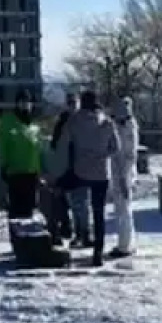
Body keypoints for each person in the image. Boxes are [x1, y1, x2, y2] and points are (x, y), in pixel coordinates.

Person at [56, 90, 120, 267]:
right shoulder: (107, 122)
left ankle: (64, 233)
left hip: (80, 171)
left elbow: (63, 141)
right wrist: (102, 155)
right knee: (99, 213)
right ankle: (97, 253)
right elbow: (116, 148)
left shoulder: (75, 120)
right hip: (101, 173)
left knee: (62, 194)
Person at [48, 92, 89, 244]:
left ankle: (83, 233)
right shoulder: (62, 122)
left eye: (75, 102)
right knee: (67, 203)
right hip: (65, 168)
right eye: (70, 103)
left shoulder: (84, 120)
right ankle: (68, 231)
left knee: (82, 203)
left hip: (82, 167)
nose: (73, 106)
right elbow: (54, 145)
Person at [0, 91, 44, 219]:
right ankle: (16, 236)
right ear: (17, 104)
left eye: (28, 102)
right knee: (16, 210)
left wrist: (40, 170)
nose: (25, 105)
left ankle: (28, 237)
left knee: (29, 209)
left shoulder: (34, 126)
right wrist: (3, 165)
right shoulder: (8, 122)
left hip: (31, 172)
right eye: (22, 102)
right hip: (15, 172)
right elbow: (2, 144)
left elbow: (39, 149)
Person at [108, 97, 140, 260]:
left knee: (123, 211)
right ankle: (127, 243)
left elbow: (128, 156)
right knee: (122, 210)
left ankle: (124, 245)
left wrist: (124, 178)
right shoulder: (122, 127)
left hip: (124, 173)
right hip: (119, 171)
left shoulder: (128, 129)